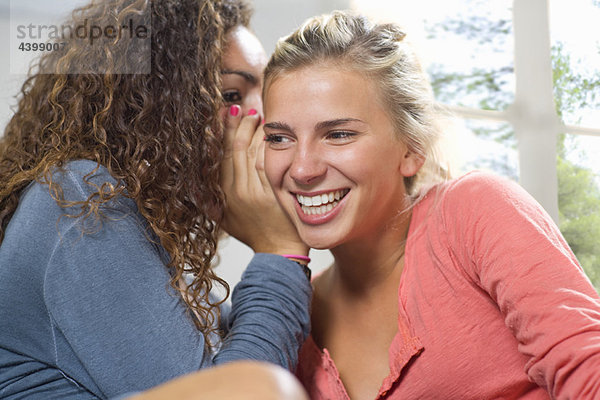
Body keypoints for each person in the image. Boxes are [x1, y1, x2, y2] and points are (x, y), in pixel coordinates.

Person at [261, 10, 600, 400]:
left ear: (413, 149)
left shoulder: (472, 211)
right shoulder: (291, 315)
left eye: (338, 134)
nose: (302, 169)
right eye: (280, 139)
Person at [0, 0, 312, 399]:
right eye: (232, 93)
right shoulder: (82, 199)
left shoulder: (139, 227)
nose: (264, 120)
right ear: (157, 104)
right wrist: (281, 252)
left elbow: (225, 357)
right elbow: (240, 390)